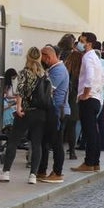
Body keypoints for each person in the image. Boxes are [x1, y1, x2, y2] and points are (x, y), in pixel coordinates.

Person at [0, 46, 49, 184]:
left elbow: (20, 91)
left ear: (27, 57)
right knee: (37, 143)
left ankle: (6, 172)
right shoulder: (44, 74)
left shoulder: (24, 72)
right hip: (40, 112)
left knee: (14, 141)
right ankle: (33, 175)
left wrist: (19, 107)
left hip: (26, 111)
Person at [73, 32, 104, 172]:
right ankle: (95, 162)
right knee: (94, 132)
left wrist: (85, 94)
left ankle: (89, 162)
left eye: (82, 41)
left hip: (89, 98)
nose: (80, 43)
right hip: (96, 97)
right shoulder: (96, 57)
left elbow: (90, 77)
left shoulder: (88, 57)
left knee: (89, 131)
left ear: (89, 43)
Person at [36, 45, 69, 183]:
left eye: (42, 58)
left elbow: (47, 90)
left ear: (48, 57)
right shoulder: (53, 69)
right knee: (45, 142)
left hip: (58, 112)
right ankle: (41, 170)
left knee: (56, 143)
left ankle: (57, 172)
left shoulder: (59, 71)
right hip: (52, 111)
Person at [62, 50, 82, 161]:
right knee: (72, 128)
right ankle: (72, 151)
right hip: (75, 102)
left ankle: (58, 149)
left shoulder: (65, 70)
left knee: (61, 127)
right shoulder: (81, 72)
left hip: (64, 100)